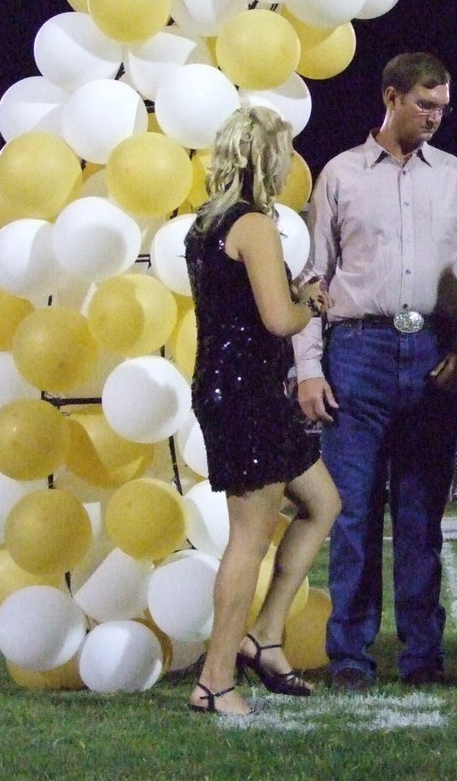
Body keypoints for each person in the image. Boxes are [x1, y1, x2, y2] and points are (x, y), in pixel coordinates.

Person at [294, 52, 457, 690]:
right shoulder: (340, 175)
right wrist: (307, 368)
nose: (435, 117)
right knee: (351, 516)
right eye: (423, 105)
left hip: (433, 355)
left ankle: (422, 657)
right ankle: (350, 658)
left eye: (441, 106)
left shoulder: (456, 176)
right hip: (357, 353)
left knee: (419, 517)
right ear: (391, 97)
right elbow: (312, 279)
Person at [184, 105, 341, 716]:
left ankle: (264, 637)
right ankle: (215, 680)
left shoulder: (207, 222)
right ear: (266, 158)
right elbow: (278, 321)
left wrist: (292, 295)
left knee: (323, 502)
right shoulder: (253, 224)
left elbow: (243, 308)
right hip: (248, 392)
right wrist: (311, 308)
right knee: (248, 540)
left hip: (228, 386)